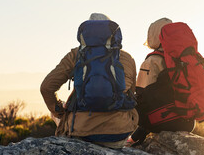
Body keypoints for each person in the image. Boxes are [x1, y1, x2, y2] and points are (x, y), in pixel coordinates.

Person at [40, 13, 139, 149]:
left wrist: (59, 112)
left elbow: (46, 88)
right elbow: (132, 94)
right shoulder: (127, 58)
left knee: (55, 112)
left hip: (81, 131)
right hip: (118, 134)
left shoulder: (75, 55)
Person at [126, 18, 195, 146]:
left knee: (134, 103)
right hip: (188, 121)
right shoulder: (184, 59)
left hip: (165, 120)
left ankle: (133, 138)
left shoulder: (153, 60)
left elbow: (142, 95)